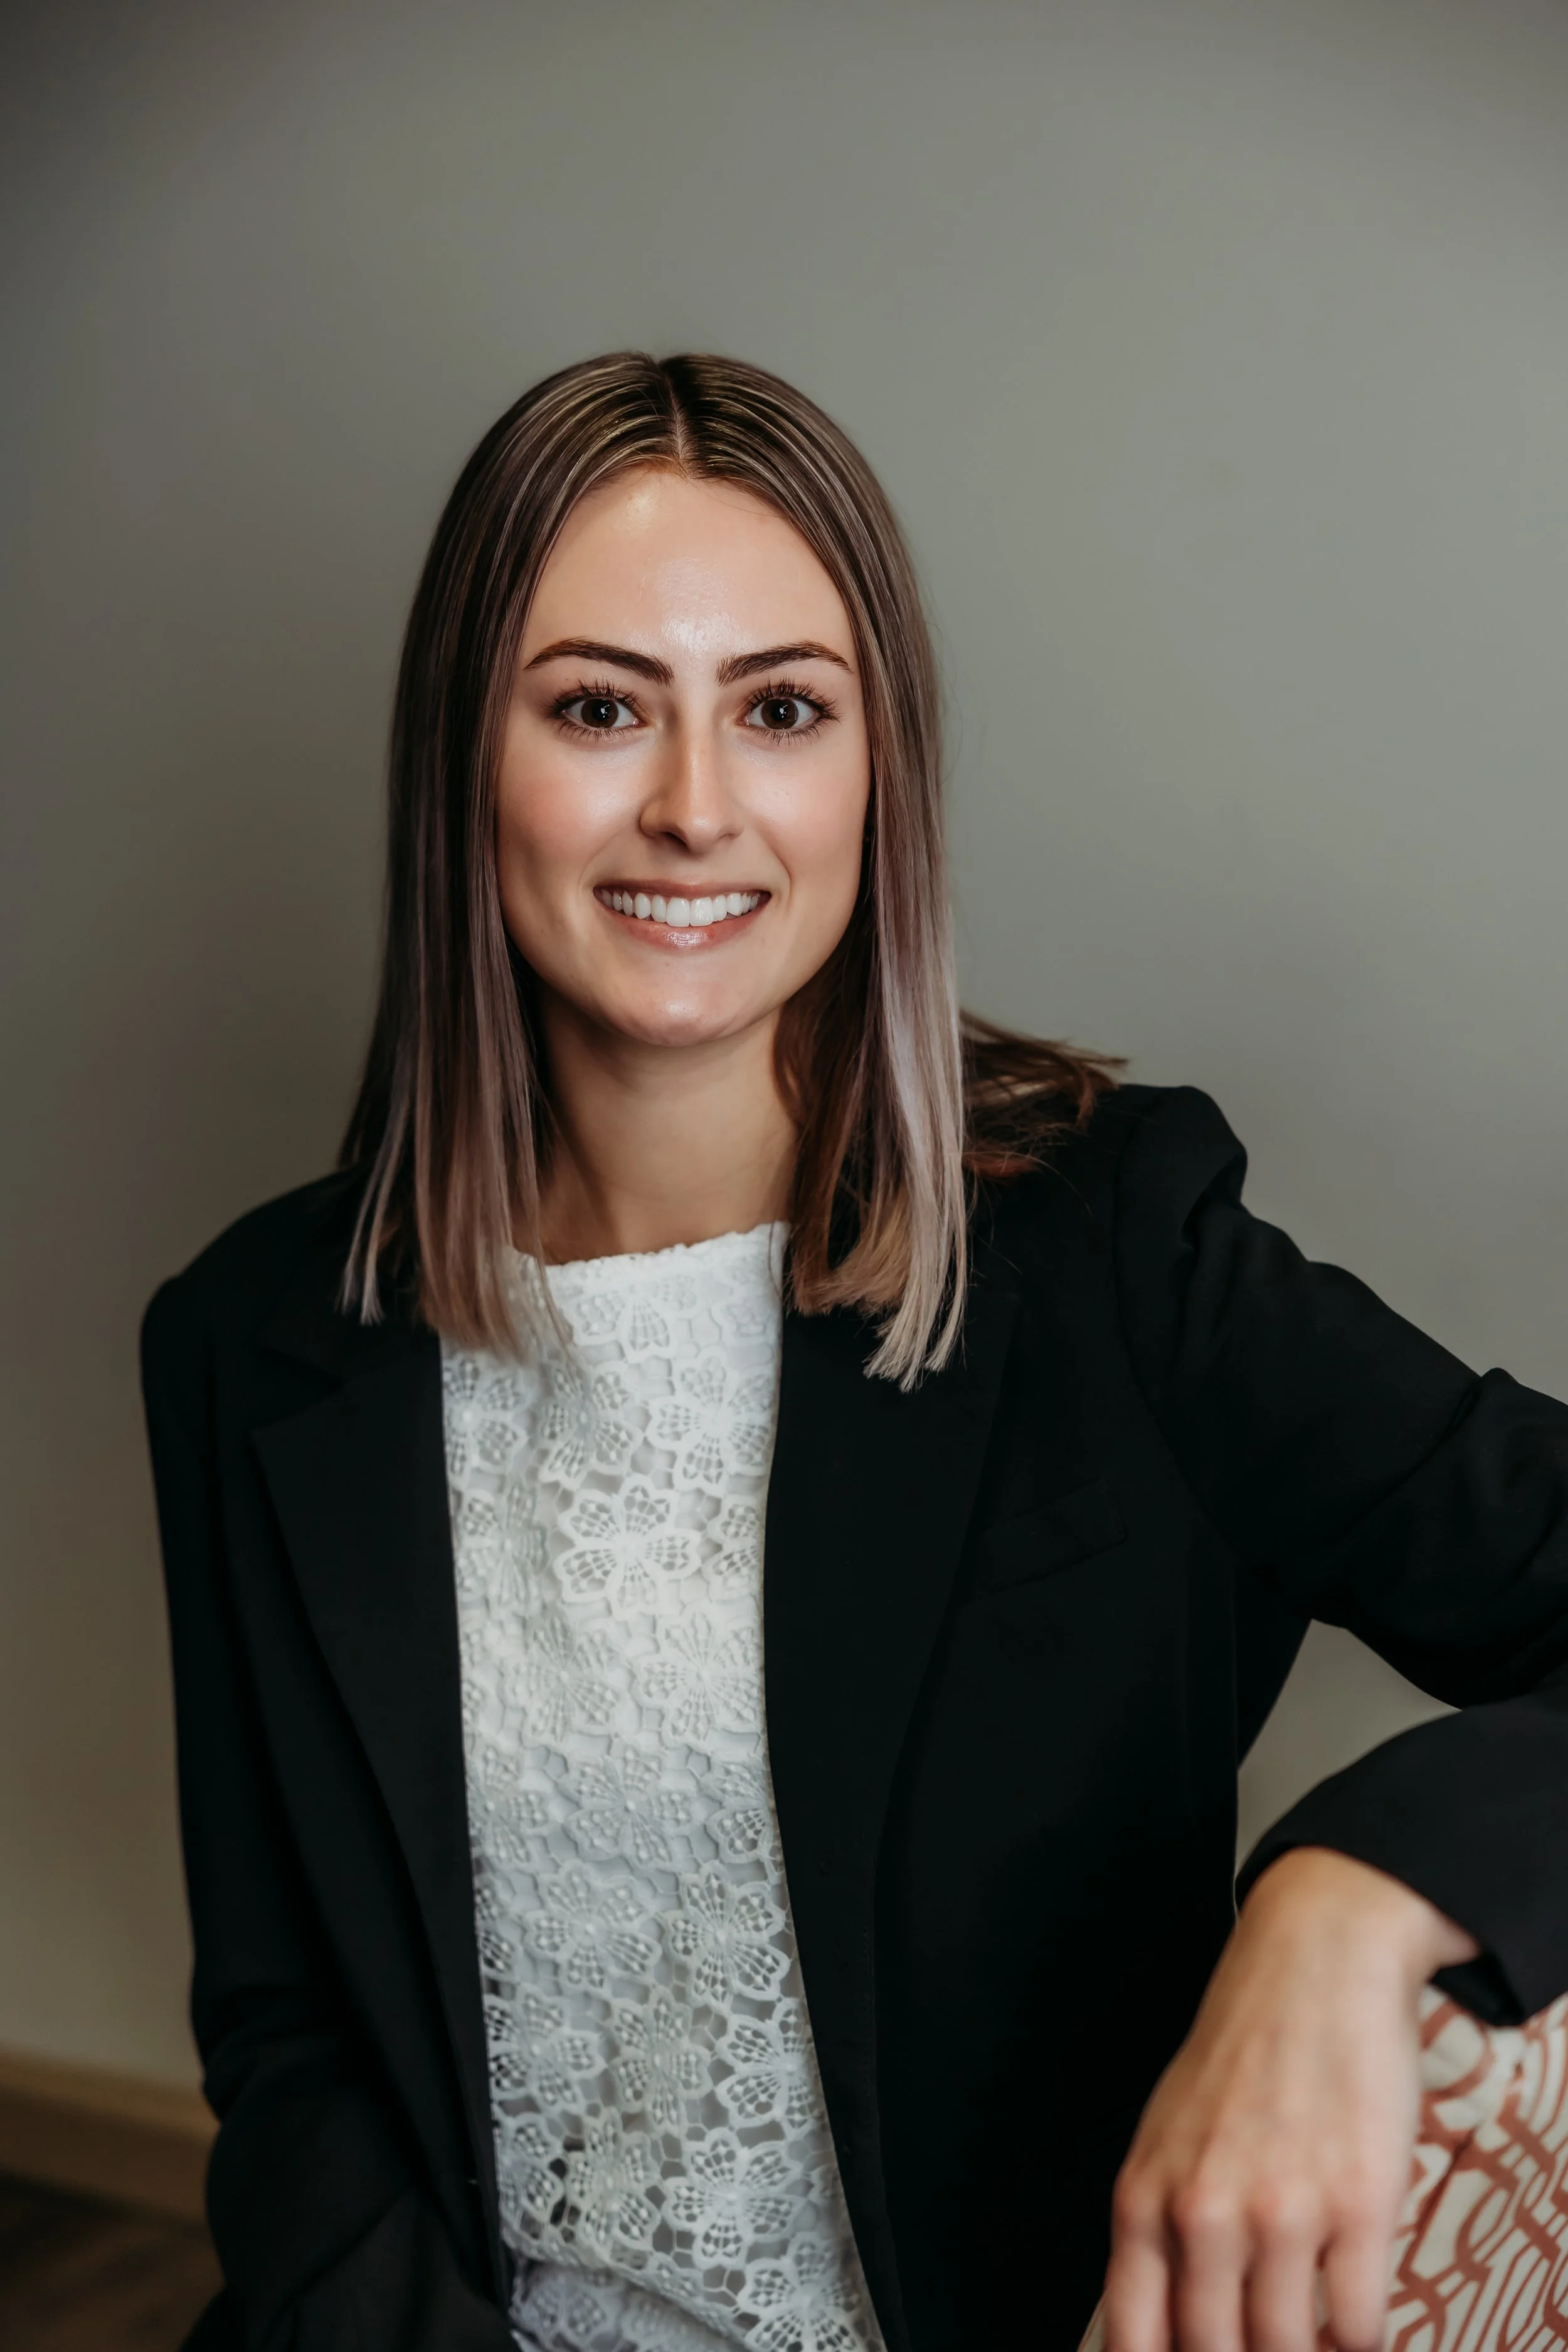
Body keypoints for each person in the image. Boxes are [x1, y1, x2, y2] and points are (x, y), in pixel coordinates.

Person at [140, 351, 1568, 2352]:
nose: (696, 805)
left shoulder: (1112, 1249)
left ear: (875, 769)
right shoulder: (250, 1340)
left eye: (783, 709)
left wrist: (1341, 1894)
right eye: (596, 704)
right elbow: (292, 2034)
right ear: (463, 755)